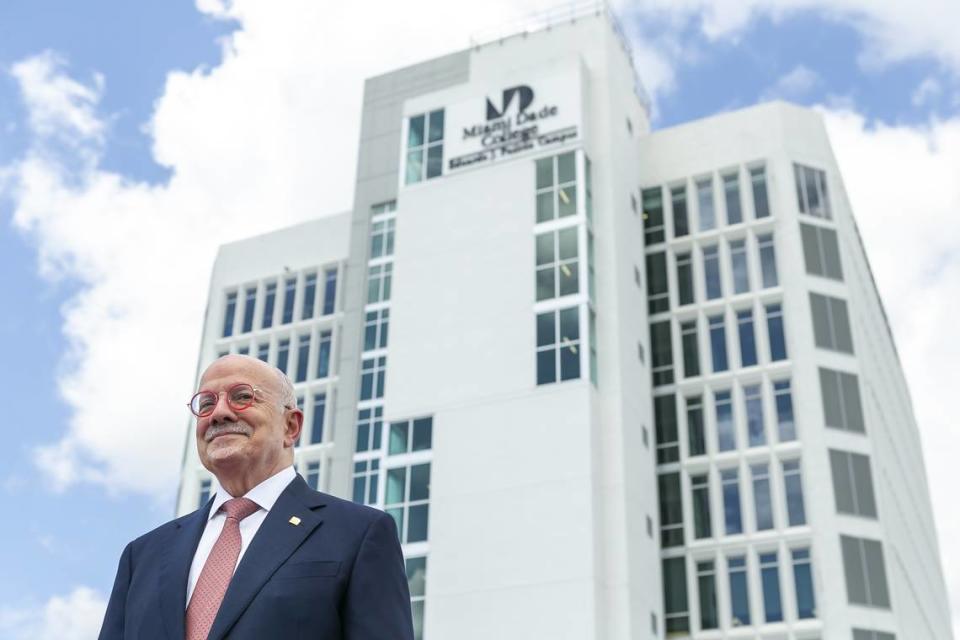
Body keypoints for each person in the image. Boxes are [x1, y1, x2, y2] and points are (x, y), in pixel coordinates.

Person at [99, 354, 414, 639]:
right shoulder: (142, 556)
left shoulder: (359, 534)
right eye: (206, 403)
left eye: (242, 397)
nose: (219, 413)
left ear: (291, 426)